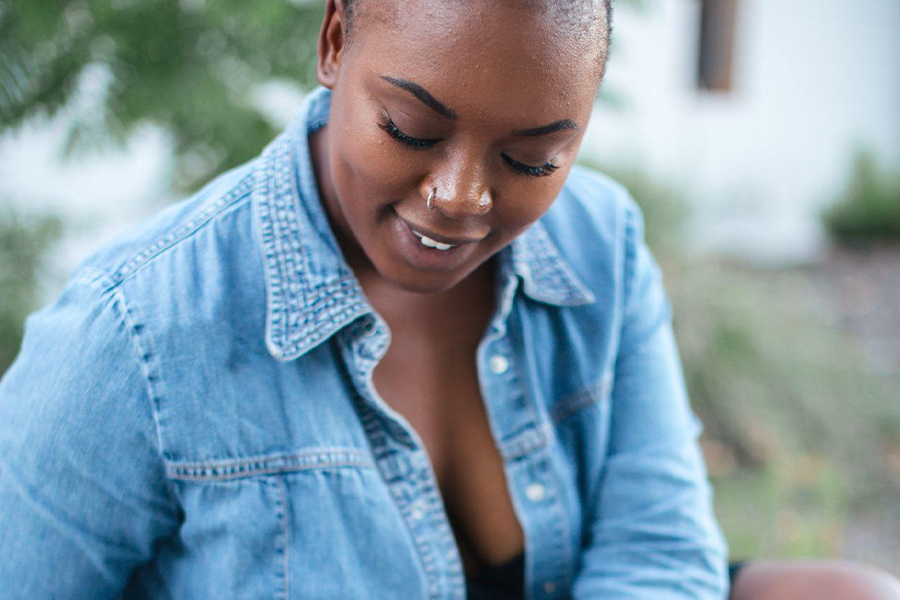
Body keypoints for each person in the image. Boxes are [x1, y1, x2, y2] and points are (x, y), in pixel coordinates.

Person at [1, 0, 898, 598]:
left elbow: (658, 549)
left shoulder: (598, 238)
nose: (463, 196)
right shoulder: (135, 331)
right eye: (411, 129)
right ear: (334, 40)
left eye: (532, 159)